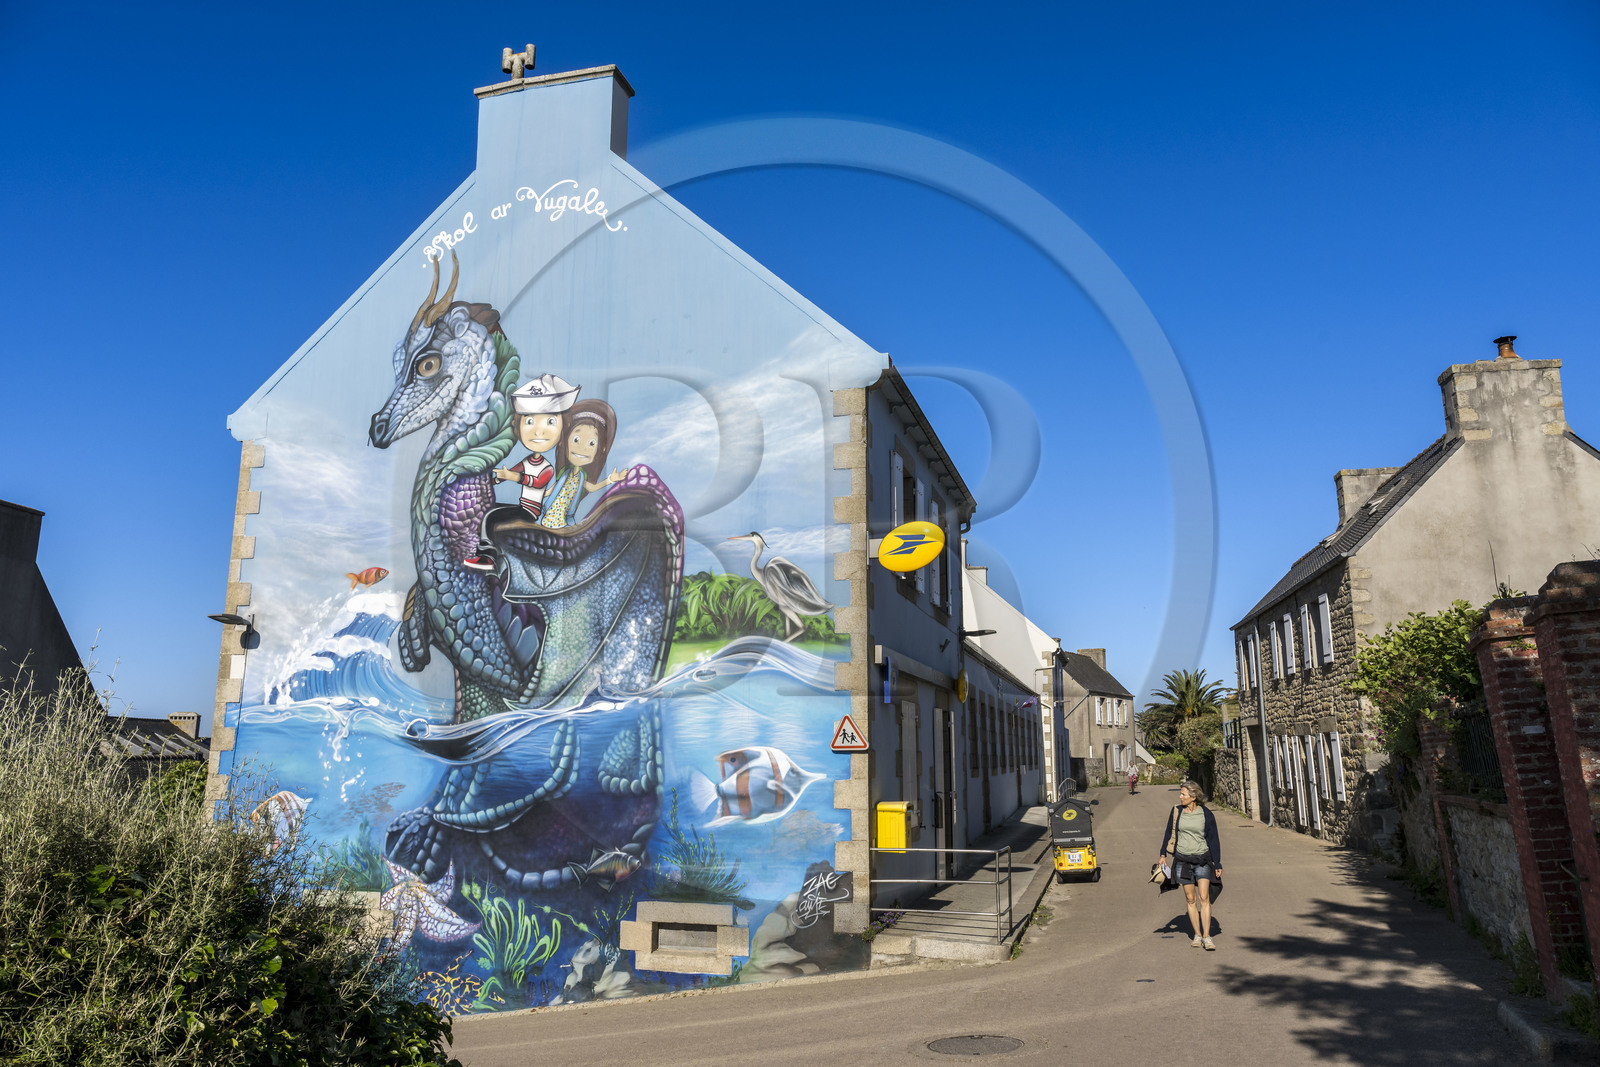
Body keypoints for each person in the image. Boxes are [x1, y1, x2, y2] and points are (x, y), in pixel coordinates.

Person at [463, 373, 578, 571]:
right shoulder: (528, 460)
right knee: (486, 509)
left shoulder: (547, 468)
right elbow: (512, 471)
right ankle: (484, 549)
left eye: (550, 422)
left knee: (491, 517)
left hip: (530, 511)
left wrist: (513, 477)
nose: (538, 432)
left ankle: (488, 557)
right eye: (529, 422)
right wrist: (495, 479)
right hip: (521, 507)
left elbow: (535, 482)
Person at [537, 399, 628, 529]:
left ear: (600, 449)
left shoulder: (581, 477)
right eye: (576, 440)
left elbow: (592, 488)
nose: (582, 448)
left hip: (565, 518)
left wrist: (610, 480)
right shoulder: (565, 474)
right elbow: (552, 490)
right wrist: (536, 492)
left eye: (591, 443)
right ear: (564, 441)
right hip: (552, 513)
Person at [1157, 780, 1223, 950]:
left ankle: (1207, 937)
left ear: (1193, 797)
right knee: (1190, 898)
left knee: (1204, 897)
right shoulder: (1177, 812)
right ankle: (1197, 935)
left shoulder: (1206, 814)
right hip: (1183, 860)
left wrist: (1217, 862)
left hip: (1202, 859)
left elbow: (1213, 839)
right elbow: (1168, 834)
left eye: (1183, 794)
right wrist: (1163, 854)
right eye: (1181, 794)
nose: (1180, 797)